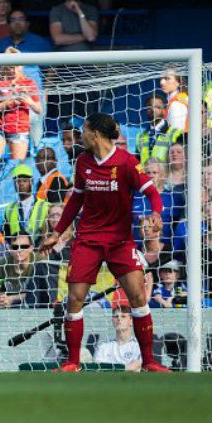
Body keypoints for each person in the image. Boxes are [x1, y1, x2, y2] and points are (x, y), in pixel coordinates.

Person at [39, 112, 170, 373]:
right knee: (74, 299)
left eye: (84, 131)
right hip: (88, 240)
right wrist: (58, 231)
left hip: (120, 241)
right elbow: (75, 200)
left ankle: (150, 362)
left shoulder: (126, 162)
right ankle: (73, 362)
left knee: (136, 296)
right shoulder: (83, 162)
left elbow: (152, 192)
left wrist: (156, 213)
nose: (81, 136)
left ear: (95, 134)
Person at [0, 51, 41, 161]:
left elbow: (39, 109)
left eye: (17, 65)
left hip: (19, 128)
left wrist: (29, 101)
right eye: (11, 66)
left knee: (17, 166)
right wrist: (10, 102)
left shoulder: (29, 83)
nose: (15, 69)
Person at [4, 164, 50, 243]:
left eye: (25, 180)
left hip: (38, 250)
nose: (21, 184)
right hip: (18, 251)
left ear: (31, 181)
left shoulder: (45, 206)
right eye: (18, 181)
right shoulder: (9, 209)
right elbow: (7, 235)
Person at [135, 93, 183, 165]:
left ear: (164, 110)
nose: (153, 110)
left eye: (157, 107)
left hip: (166, 175)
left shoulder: (176, 133)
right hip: (145, 175)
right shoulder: (140, 136)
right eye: (149, 107)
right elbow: (137, 161)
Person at [92, 306, 142, 372]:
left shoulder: (139, 346)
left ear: (131, 321)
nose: (119, 319)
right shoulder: (103, 346)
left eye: (123, 316)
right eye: (116, 316)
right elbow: (98, 368)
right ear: (112, 320)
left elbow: (135, 366)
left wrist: (109, 368)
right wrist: (126, 367)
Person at [160, 69, 189, 133]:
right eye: (161, 78)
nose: (161, 82)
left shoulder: (177, 105)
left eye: (167, 78)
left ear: (179, 83)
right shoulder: (180, 99)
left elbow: (176, 136)